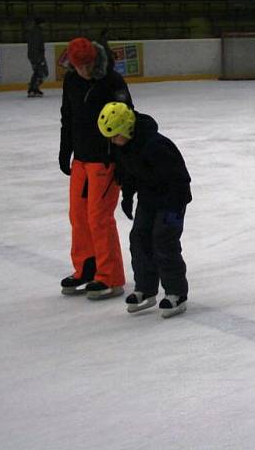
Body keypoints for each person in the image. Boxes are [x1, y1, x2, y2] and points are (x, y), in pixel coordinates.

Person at [97, 102, 192, 318]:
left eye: (115, 135)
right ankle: (146, 289)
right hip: (148, 199)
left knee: (163, 241)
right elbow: (129, 174)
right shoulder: (124, 146)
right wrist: (128, 196)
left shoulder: (156, 146)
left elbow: (180, 178)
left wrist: (175, 208)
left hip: (172, 200)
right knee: (139, 238)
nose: (112, 141)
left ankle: (176, 293)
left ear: (127, 127)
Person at [59, 37, 133, 300]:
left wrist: (124, 162)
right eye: (77, 66)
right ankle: (86, 268)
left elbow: (127, 120)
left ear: (94, 60)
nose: (81, 71)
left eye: (85, 66)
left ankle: (110, 277)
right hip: (80, 159)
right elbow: (67, 116)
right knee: (78, 216)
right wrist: (65, 149)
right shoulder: (71, 80)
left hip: (105, 160)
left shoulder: (112, 82)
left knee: (99, 218)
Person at [26, 18, 48, 97]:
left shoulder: (34, 31)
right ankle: (33, 88)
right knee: (44, 72)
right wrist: (39, 58)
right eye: (43, 23)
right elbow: (35, 46)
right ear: (40, 24)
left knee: (37, 73)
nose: (45, 25)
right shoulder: (37, 33)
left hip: (33, 56)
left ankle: (33, 89)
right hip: (37, 57)